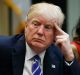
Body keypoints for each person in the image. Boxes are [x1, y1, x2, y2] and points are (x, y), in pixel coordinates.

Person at [0, 2, 80, 75]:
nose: (40, 32)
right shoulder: (3, 48)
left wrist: (69, 56)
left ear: (56, 33)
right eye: (36, 24)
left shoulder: (60, 55)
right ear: (26, 25)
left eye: (47, 27)